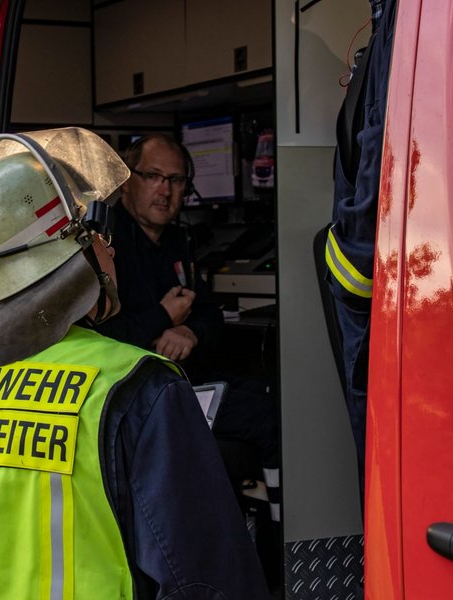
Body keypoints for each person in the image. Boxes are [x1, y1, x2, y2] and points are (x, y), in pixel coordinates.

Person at [0, 128, 269, 599]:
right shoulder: (136, 388)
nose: (109, 247)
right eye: (93, 232)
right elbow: (209, 582)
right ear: (63, 252)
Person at [94, 134, 281, 524]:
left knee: (277, 395)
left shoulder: (180, 241)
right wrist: (163, 318)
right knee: (266, 418)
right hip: (135, 395)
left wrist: (190, 333)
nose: (165, 190)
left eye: (176, 180)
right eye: (153, 177)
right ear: (128, 180)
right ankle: (283, 529)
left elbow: (210, 313)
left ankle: (268, 525)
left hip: (188, 382)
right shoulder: (105, 247)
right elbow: (99, 337)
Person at [325, 0, 396, 504]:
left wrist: (349, 262)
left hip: (375, 291)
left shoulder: (399, 22)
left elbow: (377, 157)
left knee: (383, 464)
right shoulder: (390, 25)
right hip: (372, 282)